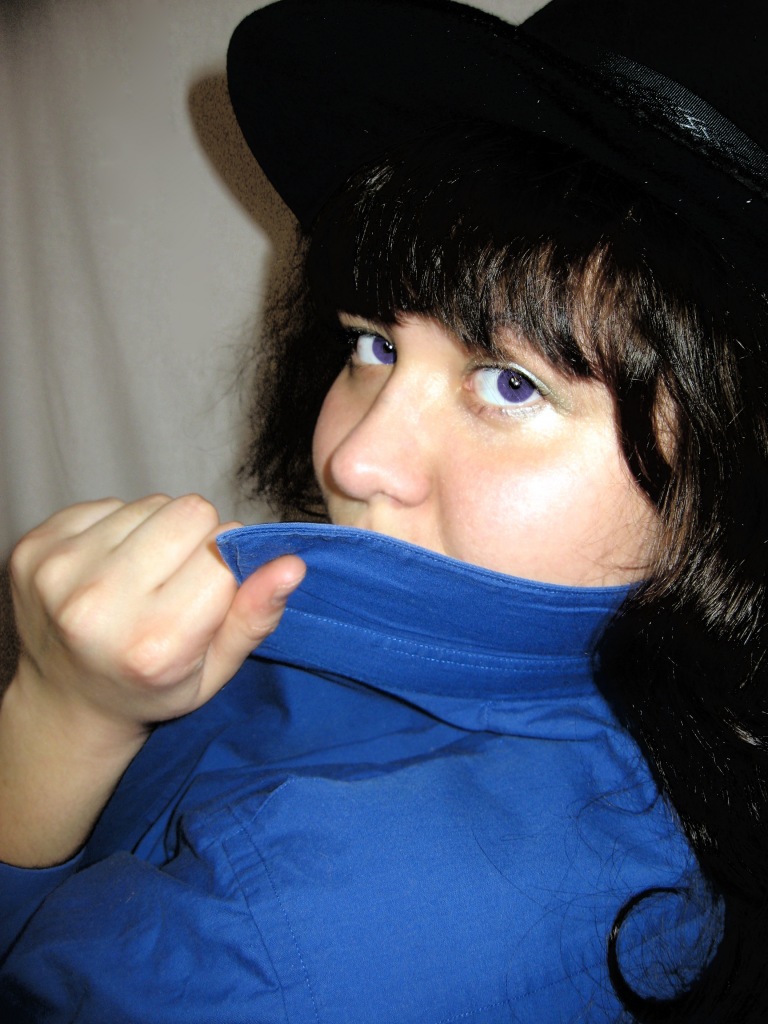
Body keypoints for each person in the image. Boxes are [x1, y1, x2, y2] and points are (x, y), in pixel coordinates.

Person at [1, 0, 767, 1020]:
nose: (353, 458)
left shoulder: (289, 942)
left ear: (735, 472)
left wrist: (57, 718)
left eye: (511, 385)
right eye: (376, 344)